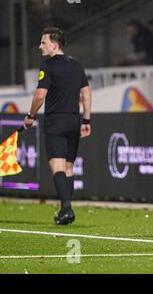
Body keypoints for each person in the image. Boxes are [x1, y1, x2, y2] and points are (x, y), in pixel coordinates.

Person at [23, 27, 91, 225]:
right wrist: (86, 120)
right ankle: (64, 211)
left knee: (57, 167)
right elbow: (86, 94)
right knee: (69, 168)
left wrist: (31, 115)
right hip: (74, 120)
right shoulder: (76, 65)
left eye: (43, 42)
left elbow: (40, 95)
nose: (40, 46)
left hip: (56, 121)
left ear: (55, 44)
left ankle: (67, 209)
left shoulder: (48, 66)